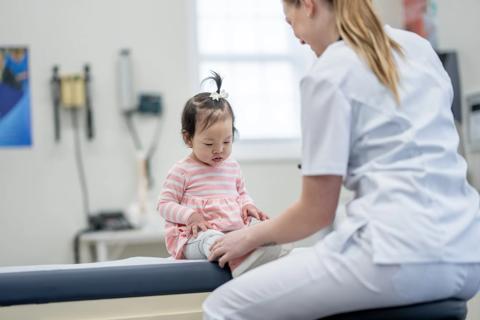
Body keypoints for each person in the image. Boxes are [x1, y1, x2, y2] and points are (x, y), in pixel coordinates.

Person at [203, 0, 480, 319]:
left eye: (289, 22)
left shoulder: (329, 72)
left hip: (397, 258)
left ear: (308, 5)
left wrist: (247, 236)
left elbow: (315, 212)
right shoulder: (418, 48)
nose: (298, 38)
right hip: (467, 254)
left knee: (223, 307)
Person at [156, 72, 284, 277]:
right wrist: (191, 216)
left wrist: (247, 205)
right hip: (194, 238)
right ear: (188, 139)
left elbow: (241, 194)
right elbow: (163, 205)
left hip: (233, 234)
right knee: (211, 238)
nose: (219, 150)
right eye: (209, 144)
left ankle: (257, 251)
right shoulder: (182, 170)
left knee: (267, 230)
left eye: (226, 142)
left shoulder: (232, 167)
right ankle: (238, 261)